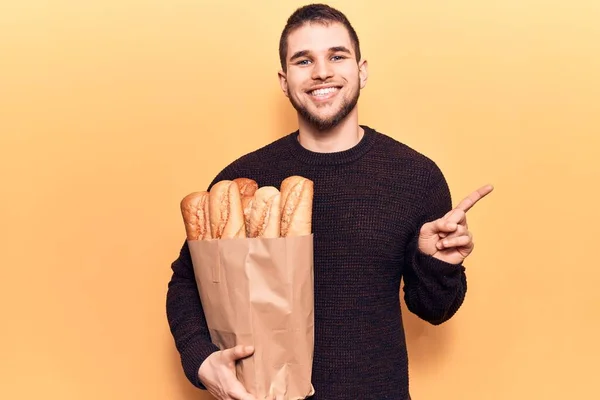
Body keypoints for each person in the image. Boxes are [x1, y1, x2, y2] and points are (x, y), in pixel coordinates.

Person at [166, 3, 493, 400]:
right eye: (304, 60)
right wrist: (202, 361)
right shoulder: (243, 182)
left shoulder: (415, 176)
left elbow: (433, 310)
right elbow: (187, 281)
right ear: (285, 81)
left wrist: (437, 265)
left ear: (362, 69)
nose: (322, 71)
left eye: (337, 56)